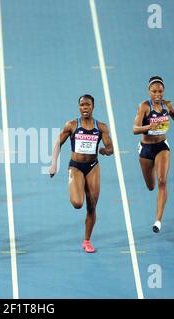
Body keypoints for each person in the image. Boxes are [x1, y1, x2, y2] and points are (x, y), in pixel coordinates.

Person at [49, 95, 113, 253]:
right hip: (76, 167)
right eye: (82, 105)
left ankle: (87, 241)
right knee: (78, 203)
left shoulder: (101, 127)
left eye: (88, 105)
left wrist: (106, 151)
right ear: (79, 107)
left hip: (92, 166)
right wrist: (53, 164)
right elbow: (58, 143)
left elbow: (110, 147)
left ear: (93, 107)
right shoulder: (71, 125)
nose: (85, 108)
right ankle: (74, 183)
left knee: (92, 206)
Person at [133, 76, 174, 233]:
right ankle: (152, 168)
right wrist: (150, 126)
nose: (157, 94)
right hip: (146, 149)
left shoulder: (167, 105)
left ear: (163, 91)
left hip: (161, 146)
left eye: (160, 91)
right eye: (154, 91)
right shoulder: (144, 107)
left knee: (162, 181)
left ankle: (158, 220)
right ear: (149, 91)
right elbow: (135, 129)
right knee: (151, 186)